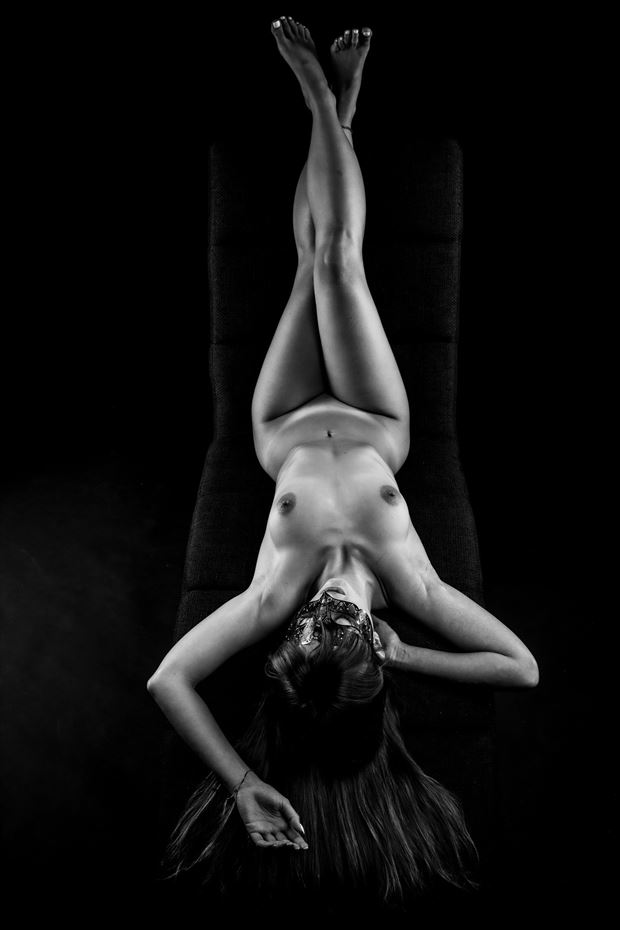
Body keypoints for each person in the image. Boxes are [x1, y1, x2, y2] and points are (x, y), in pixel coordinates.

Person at [147, 17, 539, 908]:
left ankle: (335, 112)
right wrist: (412, 656)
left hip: (282, 421)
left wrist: (244, 783)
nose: (325, 605)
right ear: (369, 647)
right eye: (346, 626)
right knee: (336, 261)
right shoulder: (413, 587)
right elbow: (521, 666)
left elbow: (167, 679)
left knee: (306, 264)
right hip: (374, 416)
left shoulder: (269, 597)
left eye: (308, 625)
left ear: (292, 641)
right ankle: (328, 106)